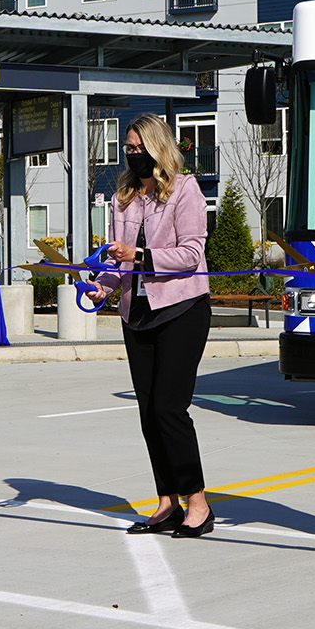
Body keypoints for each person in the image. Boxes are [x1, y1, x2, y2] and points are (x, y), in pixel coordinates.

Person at [91, 115, 215, 537]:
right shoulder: (122, 196)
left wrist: (139, 255)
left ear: (157, 148)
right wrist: (100, 288)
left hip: (182, 308)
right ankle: (168, 501)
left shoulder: (185, 189)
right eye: (127, 147)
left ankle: (197, 502)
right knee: (148, 412)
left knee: (168, 407)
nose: (132, 154)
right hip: (137, 313)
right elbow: (115, 259)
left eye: (139, 147)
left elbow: (191, 254)